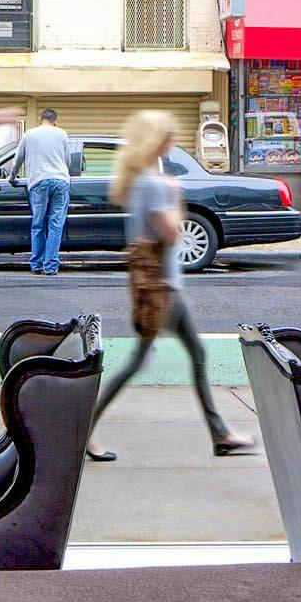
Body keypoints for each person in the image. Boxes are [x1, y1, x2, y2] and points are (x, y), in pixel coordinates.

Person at [87, 110, 254, 463]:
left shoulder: (141, 179)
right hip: (163, 286)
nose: (173, 140)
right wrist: (176, 198)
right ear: (156, 140)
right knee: (149, 360)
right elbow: (171, 232)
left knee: (190, 355)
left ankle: (220, 433)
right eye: (169, 135)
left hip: (157, 284)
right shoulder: (154, 182)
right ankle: (83, 429)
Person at [18, 106, 71, 276]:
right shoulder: (62, 134)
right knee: (55, 224)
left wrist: (12, 176)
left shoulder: (29, 134)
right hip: (60, 181)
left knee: (38, 224)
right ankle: (51, 266)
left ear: (40, 119)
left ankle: (36, 264)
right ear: (55, 121)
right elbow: (67, 160)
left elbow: (19, 158)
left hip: (38, 182)